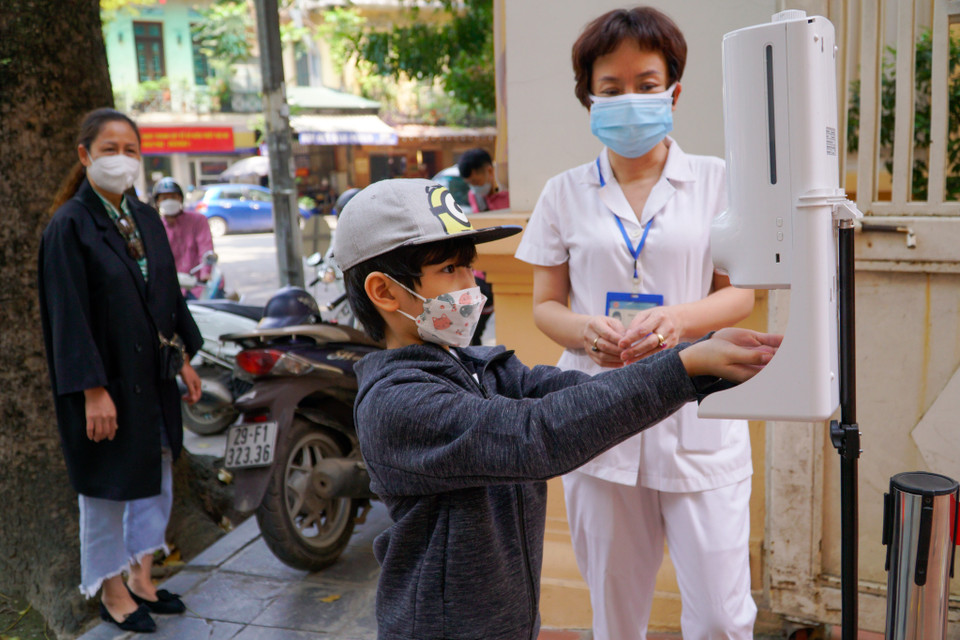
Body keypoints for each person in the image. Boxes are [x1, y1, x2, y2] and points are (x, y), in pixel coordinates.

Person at [331, 177, 780, 639]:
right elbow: (537, 435)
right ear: (384, 292)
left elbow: (575, 394)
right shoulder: (397, 402)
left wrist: (698, 356)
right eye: (449, 269)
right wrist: (684, 369)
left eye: (469, 266)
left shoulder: (477, 367)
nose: (471, 285)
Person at [513, 8, 759, 640]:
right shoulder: (563, 193)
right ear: (589, 97)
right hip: (599, 411)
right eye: (612, 86)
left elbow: (740, 295)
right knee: (616, 616)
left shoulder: (718, 182)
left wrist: (679, 319)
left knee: (723, 617)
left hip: (697, 410)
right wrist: (584, 332)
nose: (630, 99)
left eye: (646, 84)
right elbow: (546, 304)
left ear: (673, 91)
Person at [38, 108, 204, 634]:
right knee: (105, 490)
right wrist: (92, 391)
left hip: (153, 377)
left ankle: (142, 578)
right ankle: (111, 590)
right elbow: (66, 315)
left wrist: (184, 358)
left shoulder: (146, 218)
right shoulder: (69, 226)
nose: (121, 159)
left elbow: (168, 295)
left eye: (130, 150)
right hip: (105, 383)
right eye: (109, 149)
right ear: (84, 155)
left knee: (157, 475)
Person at [153, 177, 218, 299]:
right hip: (169, 289)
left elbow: (205, 247)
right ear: (157, 202)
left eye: (173, 197)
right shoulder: (154, 226)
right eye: (164, 198)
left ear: (180, 199)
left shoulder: (198, 220)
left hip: (199, 286)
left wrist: (206, 273)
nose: (169, 201)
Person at [457, 148, 510, 212]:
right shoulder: (473, 196)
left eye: (476, 182)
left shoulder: (509, 194)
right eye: (469, 183)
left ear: (490, 171)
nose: (474, 187)